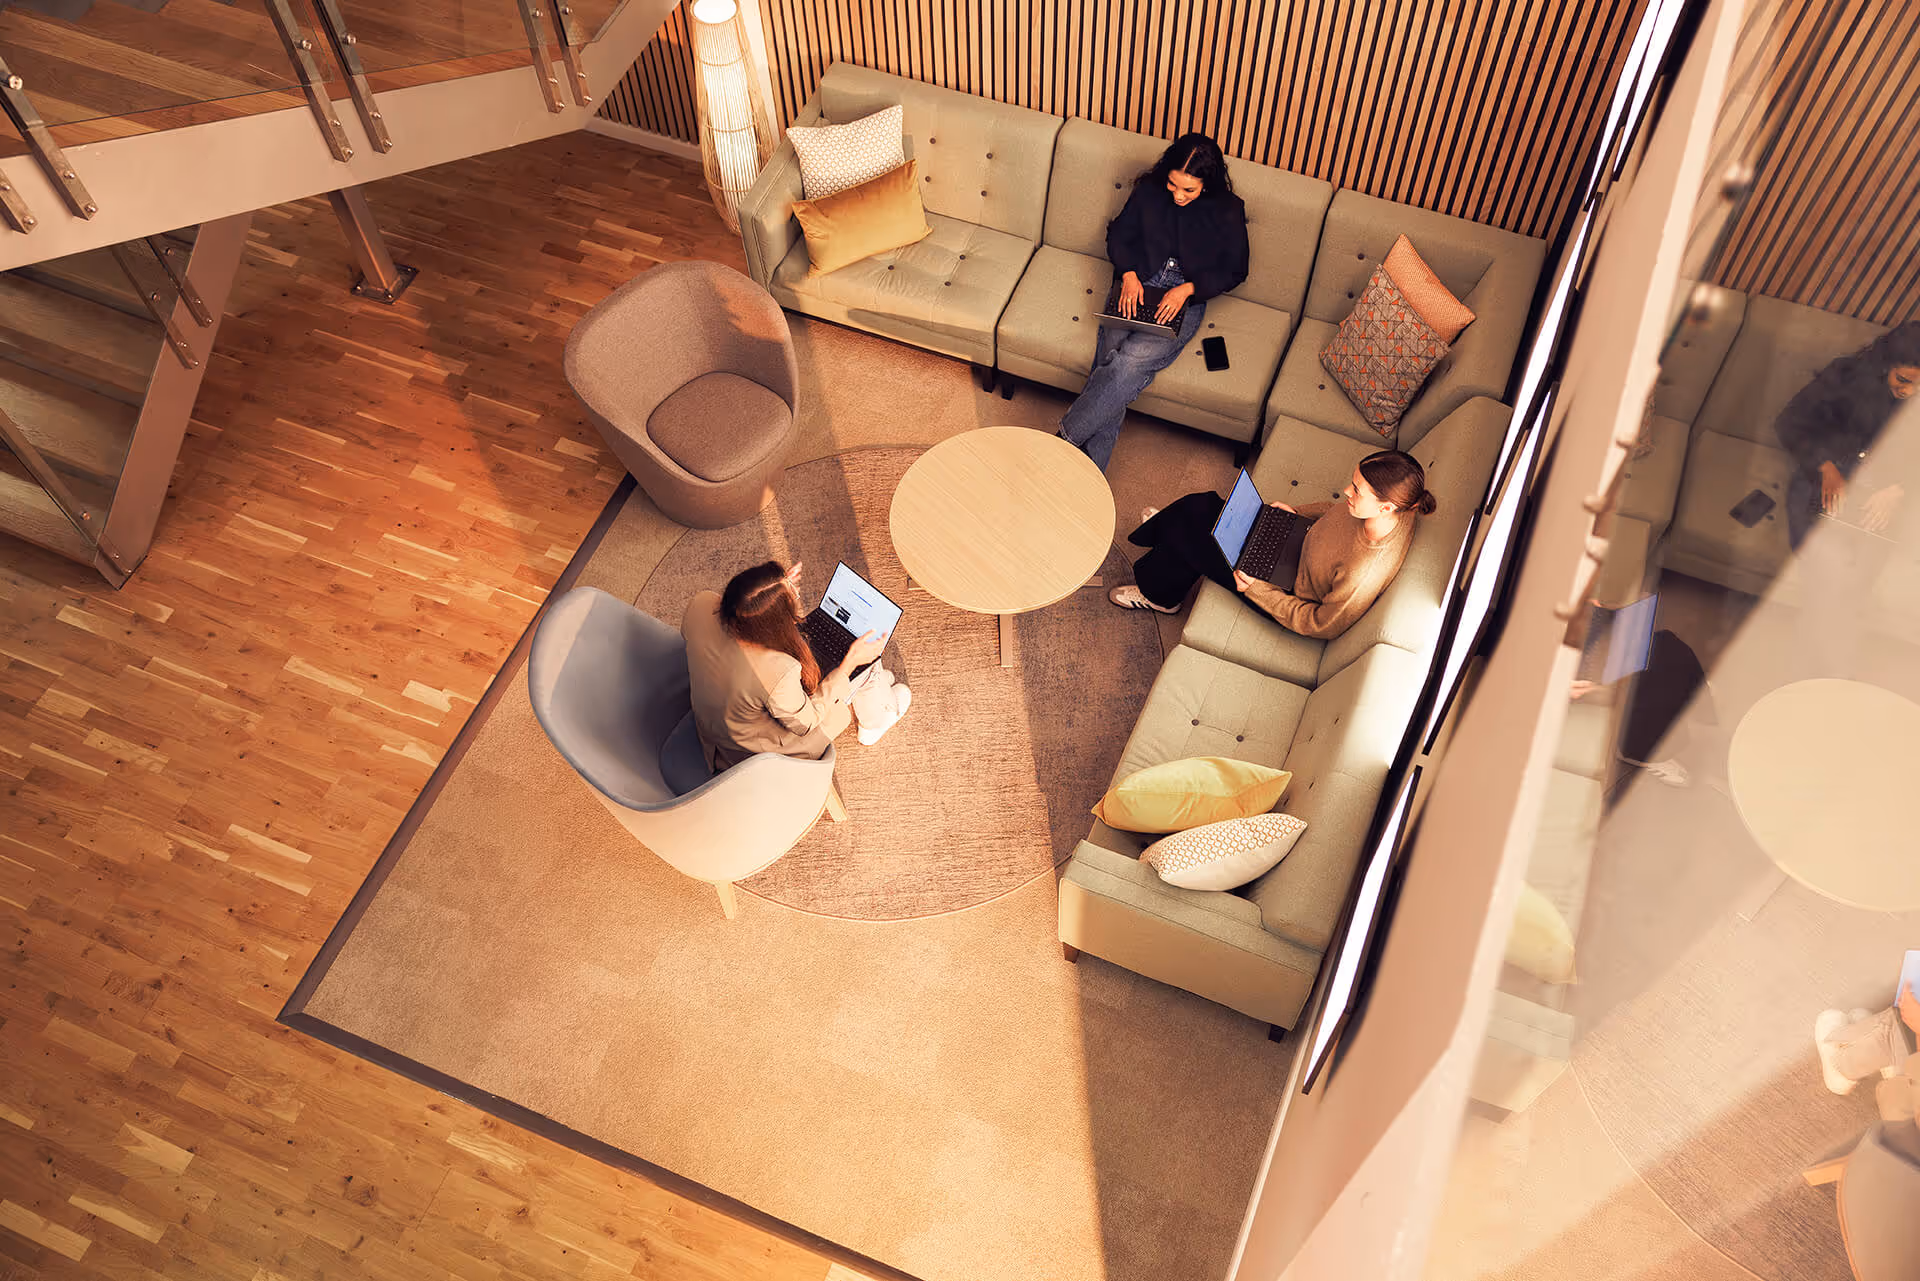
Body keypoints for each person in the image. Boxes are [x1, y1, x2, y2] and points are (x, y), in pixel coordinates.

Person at [1056, 133, 1250, 471]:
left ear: (1208, 183)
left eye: (1188, 190)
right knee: (1112, 372)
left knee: (1125, 365)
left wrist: (1188, 289)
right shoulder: (1149, 190)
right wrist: (1128, 274)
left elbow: (1235, 269)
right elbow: (1118, 235)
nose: (1177, 195)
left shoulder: (1228, 209)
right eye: (1174, 185)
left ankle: (1061, 444)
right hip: (1137, 280)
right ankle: (1090, 478)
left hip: (1184, 295)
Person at [1108, 450, 1435, 641]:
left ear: (1386, 507)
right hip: (1295, 538)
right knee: (1203, 503)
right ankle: (1164, 529)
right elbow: (1333, 512)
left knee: (1190, 541)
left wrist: (1258, 590)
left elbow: (1320, 624)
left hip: (1282, 588)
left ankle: (1160, 597)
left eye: (1356, 491)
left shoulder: (1363, 571)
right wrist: (1297, 513)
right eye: (1353, 483)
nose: (1347, 492)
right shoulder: (1397, 505)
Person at [683, 560, 911, 772]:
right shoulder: (777, 670)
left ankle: (874, 689)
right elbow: (806, 722)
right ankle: (877, 720)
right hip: (752, 755)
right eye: (793, 592)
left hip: (713, 725)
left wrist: (775, 593)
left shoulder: (701, 604)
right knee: (866, 663)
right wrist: (849, 663)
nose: (796, 592)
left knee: (836, 653)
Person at [1774, 321, 1920, 550]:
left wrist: (1899, 488)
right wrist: (1826, 468)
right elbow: (1789, 422)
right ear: (1885, 365)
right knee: (1819, 546)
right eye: (1902, 380)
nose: (1909, 392)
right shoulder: (1845, 375)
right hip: (1827, 473)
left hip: (1890, 487)